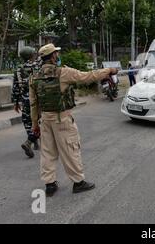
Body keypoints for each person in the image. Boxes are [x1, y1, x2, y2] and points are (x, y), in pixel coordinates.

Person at [29, 44, 118, 197]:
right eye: (56, 53)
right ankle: (78, 182)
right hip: (62, 119)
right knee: (71, 150)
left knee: (47, 152)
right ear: (52, 56)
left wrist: (34, 124)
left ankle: (50, 184)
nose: (58, 55)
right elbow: (88, 76)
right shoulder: (64, 72)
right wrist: (109, 71)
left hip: (45, 120)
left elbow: (33, 103)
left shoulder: (34, 76)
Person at [12, 46, 41, 158]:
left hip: (25, 99)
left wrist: (16, 102)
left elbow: (15, 87)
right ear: (31, 55)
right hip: (37, 99)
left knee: (27, 121)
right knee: (40, 120)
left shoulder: (18, 69)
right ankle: (32, 141)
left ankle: (33, 142)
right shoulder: (37, 66)